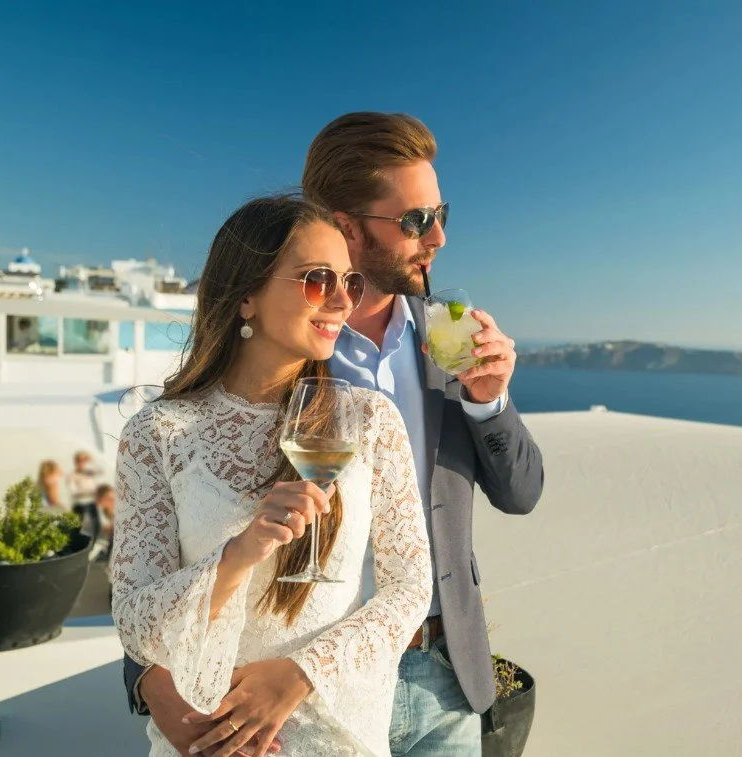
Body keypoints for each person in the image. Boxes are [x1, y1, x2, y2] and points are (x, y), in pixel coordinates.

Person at [124, 113, 544, 757]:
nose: (438, 237)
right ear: (348, 226)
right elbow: (161, 568)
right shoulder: (267, 367)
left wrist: (491, 404)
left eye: (441, 214)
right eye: (414, 220)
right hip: (262, 701)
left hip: (440, 669)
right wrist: (157, 684)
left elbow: (520, 493)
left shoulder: (450, 339)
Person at [111, 195, 432, 757]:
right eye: (316, 280)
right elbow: (137, 621)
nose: (341, 301)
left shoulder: (371, 419)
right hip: (209, 737)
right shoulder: (158, 432)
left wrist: (299, 674)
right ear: (247, 296)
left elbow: (409, 590)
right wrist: (239, 555)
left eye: (350, 283)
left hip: (335, 734)